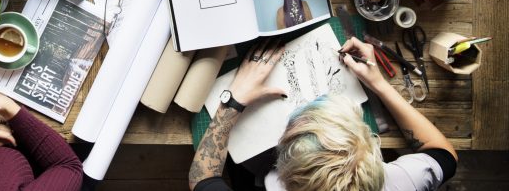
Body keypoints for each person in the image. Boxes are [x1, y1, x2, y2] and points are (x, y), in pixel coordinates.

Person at [189, 38, 458, 191]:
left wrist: (232, 100)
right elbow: (444, 155)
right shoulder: (399, 184)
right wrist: (379, 84)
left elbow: (202, 178)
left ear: (287, 175)